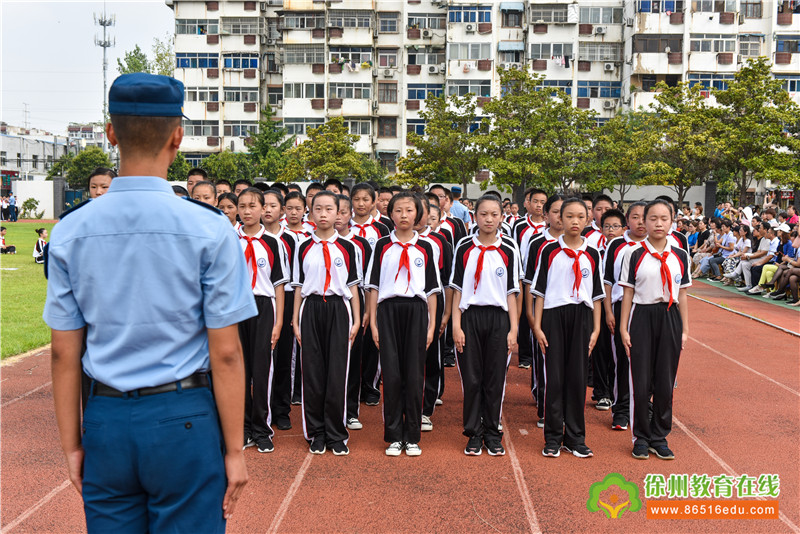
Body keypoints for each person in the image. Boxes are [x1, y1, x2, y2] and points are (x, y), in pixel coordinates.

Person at [44, 72, 255, 532]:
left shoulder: (70, 230)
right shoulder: (210, 228)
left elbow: (64, 352)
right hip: (183, 418)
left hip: (107, 420)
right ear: (178, 136)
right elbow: (225, 351)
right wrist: (236, 451)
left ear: (111, 133)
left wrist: (71, 446)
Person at [366, 192, 440, 457]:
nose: (404, 215)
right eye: (398, 210)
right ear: (391, 214)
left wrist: (431, 327)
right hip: (388, 311)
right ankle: (394, 435)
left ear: (417, 214)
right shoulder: (382, 246)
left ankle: (413, 436)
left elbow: (432, 291)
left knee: (413, 375)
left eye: (409, 210)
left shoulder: (427, 247)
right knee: (392, 375)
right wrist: (373, 323)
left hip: (416, 311)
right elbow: (373, 287)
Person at [620, 199, 691, 461]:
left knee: (664, 380)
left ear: (672, 221)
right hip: (642, 316)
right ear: (643, 222)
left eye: (664, 218)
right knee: (640, 380)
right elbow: (627, 294)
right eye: (652, 218)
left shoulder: (681, 255)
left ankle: (659, 437)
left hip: (670, 316)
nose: (658, 223)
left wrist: (684, 329)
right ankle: (640, 437)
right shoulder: (634, 254)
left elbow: (682, 296)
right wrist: (624, 329)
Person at [532, 198, 603, 458]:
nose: (574, 221)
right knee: (555, 379)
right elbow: (539, 292)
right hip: (553, 316)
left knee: (577, 378)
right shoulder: (548, 251)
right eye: (569, 216)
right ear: (559, 218)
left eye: (580, 217)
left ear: (587, 220)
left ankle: (575, 437)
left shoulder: (593, 253)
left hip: (582, 317)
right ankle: (552, 437)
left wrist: (595, 329)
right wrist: (538, 327)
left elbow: (596, 295)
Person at [451, 195, 520, 456]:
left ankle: (492, 431)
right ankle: (473, 432)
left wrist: (513, 329)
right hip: (470, 317)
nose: (489, 219)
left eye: (494, 214)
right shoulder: (464, 247)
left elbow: (512, 293)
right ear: (474, 216)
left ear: (501, 216)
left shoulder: (509, 249)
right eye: (483, 214)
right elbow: (456, 290)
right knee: (471, 378)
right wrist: (457, 326)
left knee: (495, 378)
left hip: (498, 319)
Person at [292, 191, 360, 456]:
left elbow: (354, 287)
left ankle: (336, 433)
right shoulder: (303, 246)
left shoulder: (349, 247)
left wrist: (355, 321)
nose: (322, 214)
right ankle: (316, 432)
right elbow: (298, 287)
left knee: (337, 374)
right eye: (317, 209)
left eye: (328, 209)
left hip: (338, 309)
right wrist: (295, 321)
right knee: (312, 373)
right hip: (310, 309)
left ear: (339, 213)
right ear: (311, 213)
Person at [235, 188, 287, 453]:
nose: (247, 211)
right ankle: (243, 428)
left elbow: (279, 286)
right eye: (241, 206)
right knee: (240, 371)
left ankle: (262, 429)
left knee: (262, 369)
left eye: (252, 206)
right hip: (237, 308)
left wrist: (278, 323)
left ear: (262, 208)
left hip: (264, 306)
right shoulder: (230, 240)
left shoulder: (274, 242)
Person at [603, 202, 647, 432]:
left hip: (647, 309)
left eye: (644, 217)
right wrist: (609, 310)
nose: (640, 222)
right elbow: (607, 280)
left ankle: (644, 408)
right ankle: (621, 410)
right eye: (635, 217)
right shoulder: (617, 245)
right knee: (622, 360)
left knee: (647, 363)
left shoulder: (660, 246)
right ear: (626, 220)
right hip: (621, 308)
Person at [522, 194, 564, 428]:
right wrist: (530, 313)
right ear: (546, 215)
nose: (560, 217)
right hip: (543, 310)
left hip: (569, 312)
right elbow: (529, 280)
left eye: (564, 212)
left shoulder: (581, 243)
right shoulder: (538, 243)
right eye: (556, 212)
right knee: (544, 358)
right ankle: (544, 404)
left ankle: (562, 406)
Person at [333, 195, 372, 431]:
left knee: (352, 359)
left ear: (350, 216)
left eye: (342, 212)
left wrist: (365, 312)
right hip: (327, 307)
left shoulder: (360, 245)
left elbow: (365, 281)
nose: (338, 216)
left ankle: (350, 410)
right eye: (334, 211)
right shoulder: (312, 242)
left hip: (354, 305)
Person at [417, 200, 453, 432]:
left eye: (423, 212)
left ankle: (426, 408)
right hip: (405, 304)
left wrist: (447, 312)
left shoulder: (440, 242)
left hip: (433, 301)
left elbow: (448, 280)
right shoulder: (392, 240)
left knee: (431, 354)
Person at [591, 209, 626, 412]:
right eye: (607, 226)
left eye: (615, 226)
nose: (611, 230)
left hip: (617, 306)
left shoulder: (626, 250)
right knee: (601, 350)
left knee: (618, 352)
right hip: (599, 305)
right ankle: (601, 392)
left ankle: (616, 393)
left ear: (623, 228)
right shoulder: (594, 248)